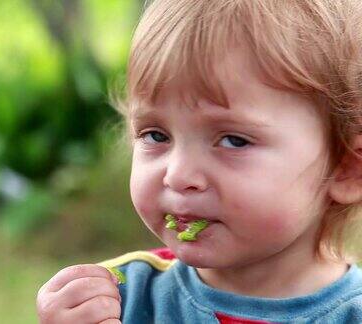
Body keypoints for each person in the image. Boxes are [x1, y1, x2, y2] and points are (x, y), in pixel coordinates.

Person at [36, 0, 362, 323]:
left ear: (347, 169)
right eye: (156, 135)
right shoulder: (118, 298)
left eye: (233, 140)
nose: (177, 175)